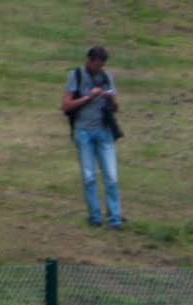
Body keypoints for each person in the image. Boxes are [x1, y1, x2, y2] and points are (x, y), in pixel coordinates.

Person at [61, 46, 123, 228]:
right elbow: (66, 105)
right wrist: (89, 97)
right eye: (97, 65)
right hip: (83, 131)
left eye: (102, 65)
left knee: (111, 176)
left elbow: (116, 108)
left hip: (104, 131)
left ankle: (115, 217)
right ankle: (94, 216)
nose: (99, 68)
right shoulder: (76, 76)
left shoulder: (106, 77)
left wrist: (110, 99)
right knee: (89, 176)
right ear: (89, 61)